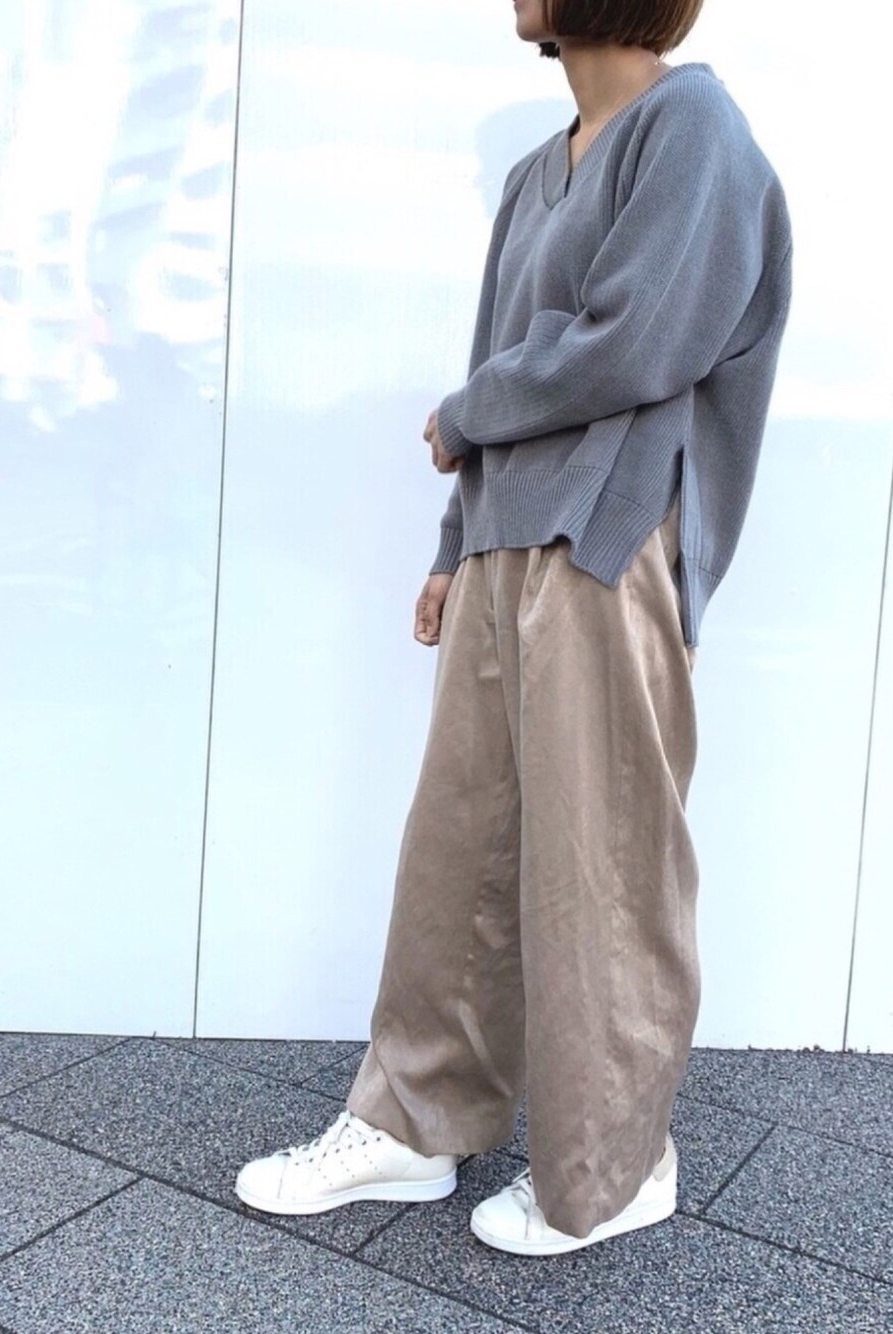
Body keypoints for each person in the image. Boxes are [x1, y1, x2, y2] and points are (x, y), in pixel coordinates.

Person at [235, 0, 793, 1256]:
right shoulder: (538, 172)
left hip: (606, 540)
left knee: (603, 863)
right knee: (461, 848)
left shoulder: (693, 127)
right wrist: (453, 546)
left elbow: (638, 344)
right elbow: (505, 366)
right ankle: (414, 1120)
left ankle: (612, 1166)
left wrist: (466, 411)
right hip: (504, 545)